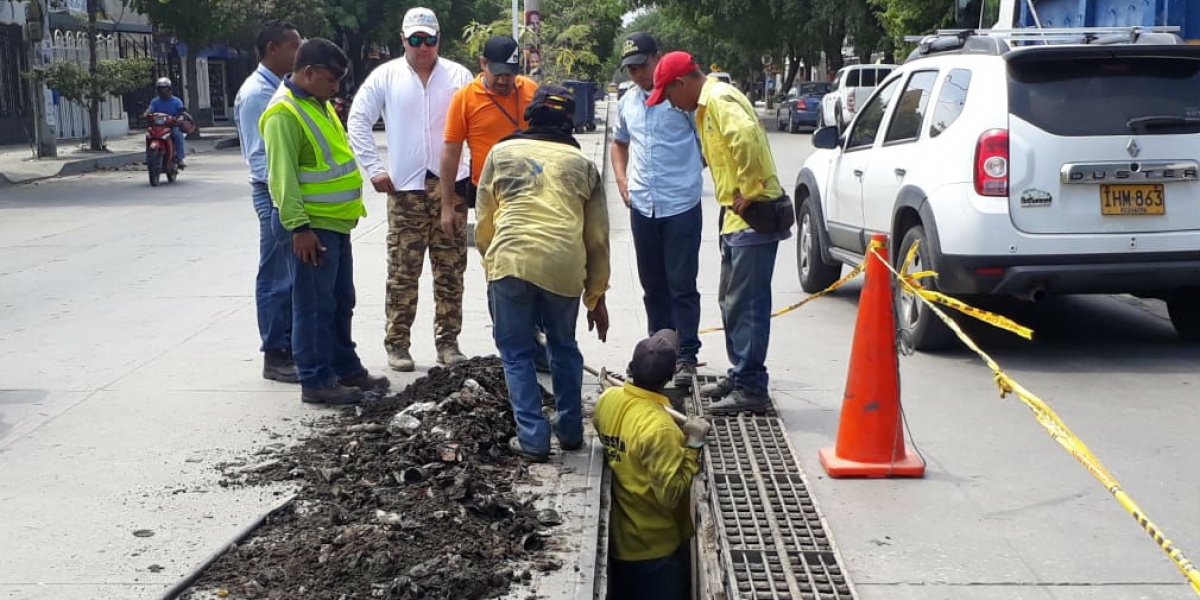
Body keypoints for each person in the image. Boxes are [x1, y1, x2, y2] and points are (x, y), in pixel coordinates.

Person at [647, 51, 791, 415]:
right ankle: (741, 374)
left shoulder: (718, 100)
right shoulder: (707, 104)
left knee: (748, 306)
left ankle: (751, 388)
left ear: (682, 83)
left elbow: (745, 138)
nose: (670, 103)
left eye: (669, 94)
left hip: (752, 218)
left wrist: (751, 190)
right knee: (731, 301)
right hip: (736, 218)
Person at [474, 84, 610, 462]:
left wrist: (494, 266)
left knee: (516, 353)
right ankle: (569, 433)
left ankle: (533, 439)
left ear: (529, 116)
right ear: (569, 123)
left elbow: (484, 223)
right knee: (564, 347)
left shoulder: (501, 153)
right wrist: (595, 296)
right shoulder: (583, 165)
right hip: (564, 267)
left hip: (511, 262)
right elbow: (597, 239)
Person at [260, 37, 390, 405]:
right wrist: (299, 229)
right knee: (313, 307)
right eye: (331, 79)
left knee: (339, 301)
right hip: (310, 228)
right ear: (309, 72)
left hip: (334, 224)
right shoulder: (284, 113)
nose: (336, 88)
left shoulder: (317, 103)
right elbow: (281, 180)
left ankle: (344, 368)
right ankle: (317, 380)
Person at [347, 7, 474, 372]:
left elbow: (475, 123)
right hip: (405, 192)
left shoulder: (458, 76)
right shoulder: (385, 77)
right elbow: (358, 120)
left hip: (450, 190)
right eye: (415, 40)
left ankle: (448, 343)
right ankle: (397, 344)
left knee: (450, 271)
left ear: (439, 41)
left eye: (429, 40)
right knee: (403, 272)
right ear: (403, 40)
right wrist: (373, 168)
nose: (423, 47)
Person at [439, 34, 549, 371]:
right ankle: (514, 344)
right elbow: (451, 152)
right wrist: (447, 203)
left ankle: (537, 343)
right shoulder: (465, 99)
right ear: (483, 65)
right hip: (492, 202)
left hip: (534, 198)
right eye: (498, 72)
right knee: (500, 274)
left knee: (538, 273)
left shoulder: (530, 90)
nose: (504, 79)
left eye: (510, 73)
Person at [611, 32, 704, 389]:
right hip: (643, 206)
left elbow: (707, 142)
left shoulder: (681, 98)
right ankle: (657, 351)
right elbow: (619, 143)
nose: (636, 74)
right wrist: (621, 180)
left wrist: (690, 173)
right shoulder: (629, 102)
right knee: (653, 285)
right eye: (630, 68)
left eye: (641, 65)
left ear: (658, 58)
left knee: (681, 284)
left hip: (681, 204)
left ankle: (686, 355)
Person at [593, 329, 712, 600]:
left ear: (631, 368)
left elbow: (605, 432)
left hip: (621, 542)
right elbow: (670, 495)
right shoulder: (660, 429)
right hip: (656, 550)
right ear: (669, 378)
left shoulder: (608, 400)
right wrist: (692, 445)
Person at [234, 19, 302, 383]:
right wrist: (282, 201)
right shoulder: (258, 94)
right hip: (272, 192)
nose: (298, 52)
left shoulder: (279, 87)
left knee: (290, 274)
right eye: (293, 46)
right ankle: (275, 353)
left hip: (282, 190)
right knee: (277, 275)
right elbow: (260, 158)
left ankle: (288, 346)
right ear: (273, 48)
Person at [146, 77, 188, 168]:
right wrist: (146, 114)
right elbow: (149, 110)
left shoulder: (177, 101)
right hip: (158, 125)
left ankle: (180, 158)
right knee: (148, 134)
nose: (162, 90)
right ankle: (149, 156)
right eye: (160, 88)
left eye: (164, 88)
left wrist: (180, 118)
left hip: (173, 125)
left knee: (177, 133)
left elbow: (181, 112)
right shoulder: (155, 101)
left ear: (169, 89)